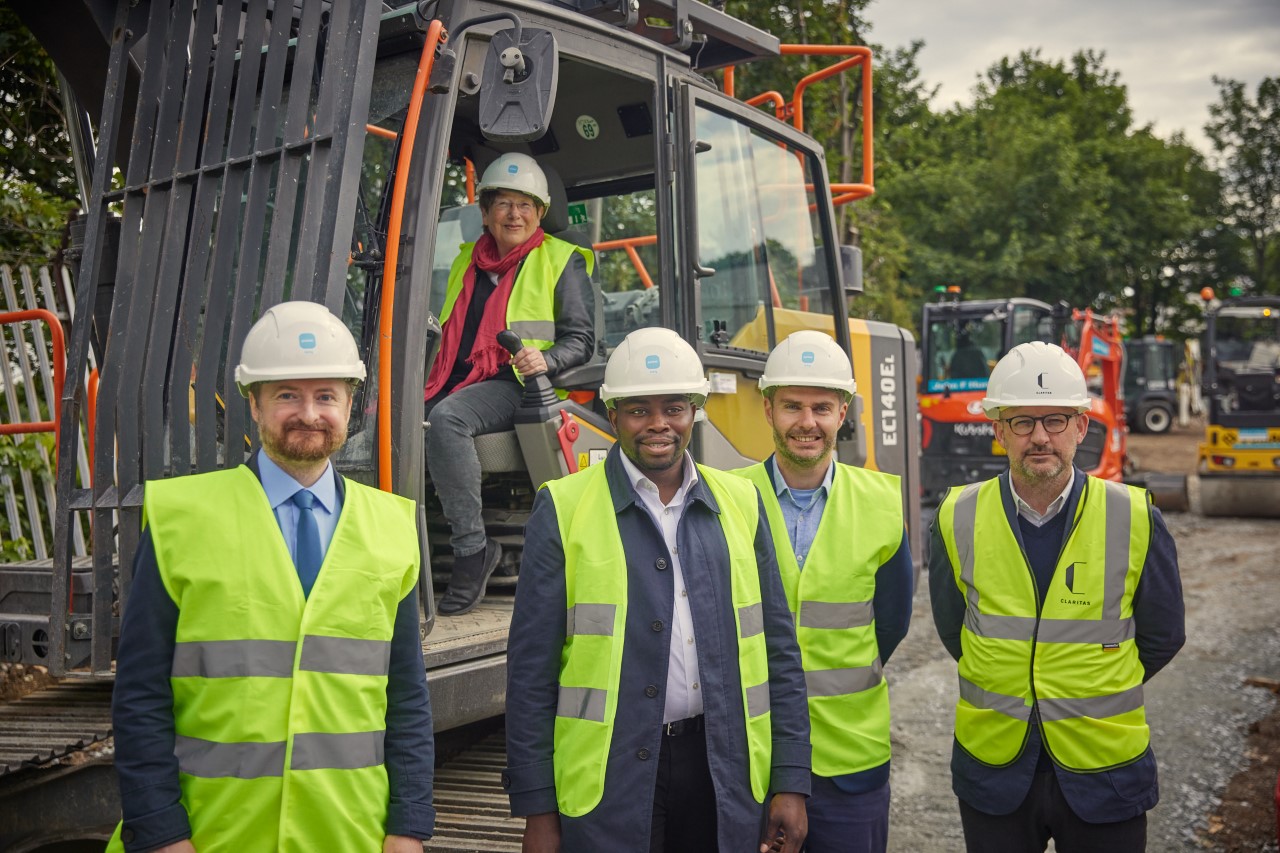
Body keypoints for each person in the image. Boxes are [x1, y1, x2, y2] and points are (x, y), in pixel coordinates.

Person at [108, 302, 434, 853]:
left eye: (326, 395)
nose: (309, 413)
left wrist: (408, 828)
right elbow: (140, 694)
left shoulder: (392, 526)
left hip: (346, 834)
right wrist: (162, 832)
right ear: (253, 404)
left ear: (350, 406)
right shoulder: (180, 519)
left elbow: (405, 698)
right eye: (287, 395)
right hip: (214, 836)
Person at [503, 327, 811, 853]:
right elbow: (531, 672)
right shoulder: (563, 507)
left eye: (674, 407)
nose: (659, 424)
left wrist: (791, 780)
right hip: (611, 778)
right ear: (614, 415)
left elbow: (778, 652)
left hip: (723, 769)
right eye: (639, 410)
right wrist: (537, 809)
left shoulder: (741, 503)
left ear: (695, 410)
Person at [929, 341, 1185, 853]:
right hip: (995, 772)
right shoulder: (957, 515)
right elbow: (955, 628)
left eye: (1055, 420)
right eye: (1022, 422)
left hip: (1104, 772)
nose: (1039, 436)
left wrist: (1090, 680)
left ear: (1081, 427)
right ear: (998, 430)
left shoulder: (1134, 516)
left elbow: (1163, 635)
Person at [732, 331, 913, 853]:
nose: (806, 422)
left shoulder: (881, 502)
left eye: (821, 407)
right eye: (792, 406)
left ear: (843, 412)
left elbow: (892, 624)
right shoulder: (728, 497)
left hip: (850, 762)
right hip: (753, 760)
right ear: (767, 409)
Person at [424, 152, 596, 616]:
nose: (514, 214)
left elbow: (582, 341)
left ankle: (471, 551)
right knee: (387, 417)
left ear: (541, 213)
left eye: (525, 205)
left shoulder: (562, 260)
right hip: (458, 377)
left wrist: (546, 357)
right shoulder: (468, 261)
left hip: (518, 384)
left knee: (447, 419)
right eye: (503, 203)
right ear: (485, 212)